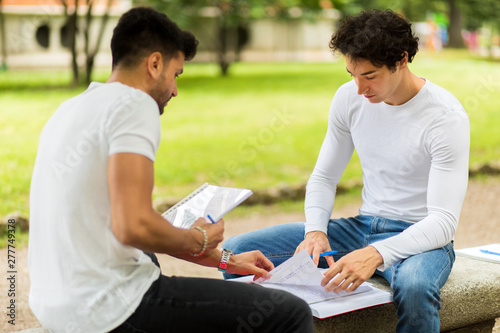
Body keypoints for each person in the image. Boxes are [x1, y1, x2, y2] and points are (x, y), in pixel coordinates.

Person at [28, 7, 314, 333]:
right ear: (154, 64)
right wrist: (198, 237)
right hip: (105, 308)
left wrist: (225, 260)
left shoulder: (70, 109)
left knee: (148, 259)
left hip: (55, 304)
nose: (175, 90)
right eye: (176, 74)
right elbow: (132, 226)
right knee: (288, 312)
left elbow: (126, 226)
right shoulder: (135, 105)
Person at [223, 9, 470, 333]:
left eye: (369, 76)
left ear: (402, 59)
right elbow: (324, 177)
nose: (359, 88)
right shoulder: (348, 99)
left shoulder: (445, 117)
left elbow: (442, 223)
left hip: (421, 238)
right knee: (237, 254)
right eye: (352, 74)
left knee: (414, 289)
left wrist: (374, 255)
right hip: (360, 228)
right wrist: (315, 231)